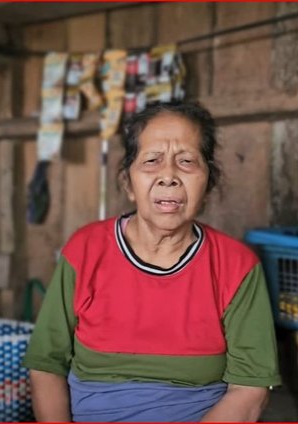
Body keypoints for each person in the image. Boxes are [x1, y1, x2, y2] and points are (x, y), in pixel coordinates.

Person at [22, 100, 281, 422]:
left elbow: (250, 389)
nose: (168, 176)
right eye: (151, 160)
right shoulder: (85, 250)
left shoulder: (237, 266)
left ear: (208, 183)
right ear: (129, 183)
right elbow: (45, 365)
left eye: (187, 161)